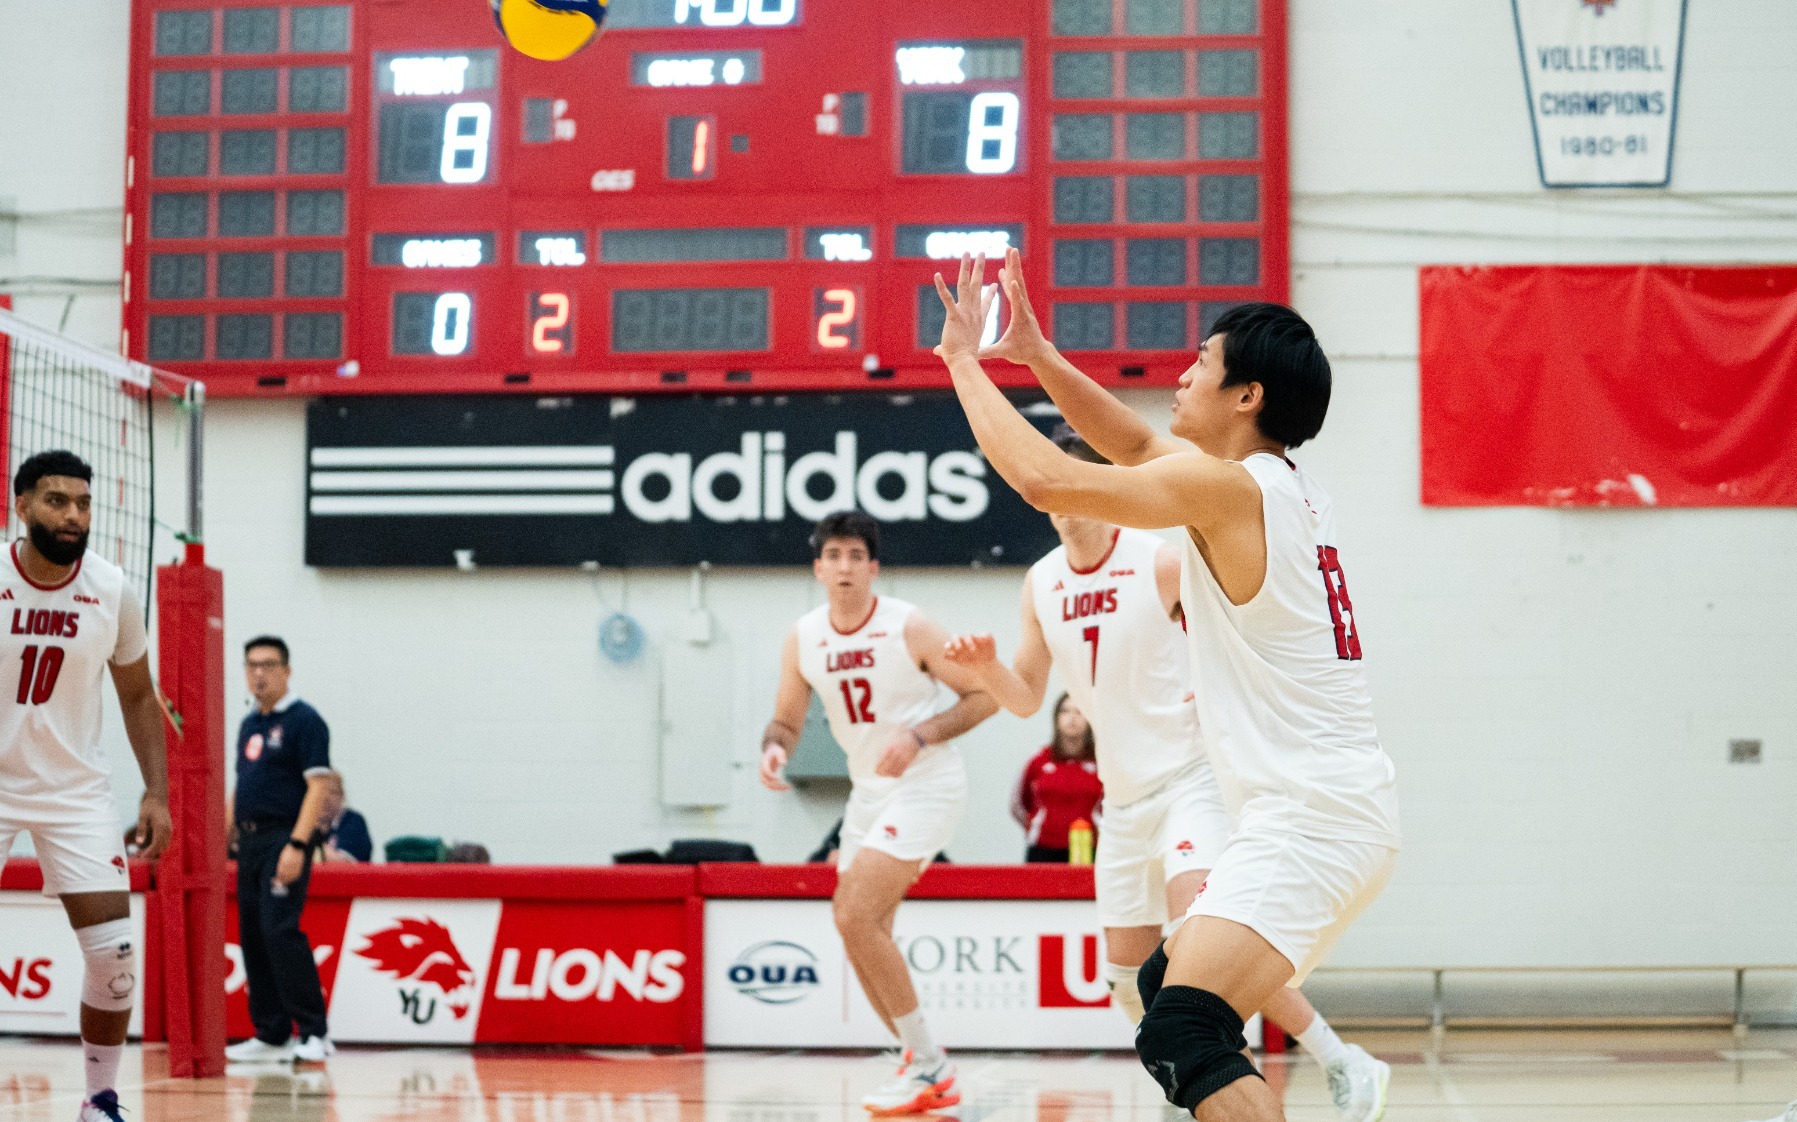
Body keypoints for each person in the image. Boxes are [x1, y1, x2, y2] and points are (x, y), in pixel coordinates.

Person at [933, 251, 1400, 1122]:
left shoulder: (1229, 492)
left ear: (1246, 395)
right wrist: (1037, 356)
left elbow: (1046, 480)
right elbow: (1139, 446)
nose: (1180, 377)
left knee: (1183, 1029)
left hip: (1310, 821)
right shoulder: (1273, 487)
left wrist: (961, 361)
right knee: (1159, 991)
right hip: (1326, 811)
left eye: (1200, 364)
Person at [758, 511, 997, 1115]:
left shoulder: (909, 626)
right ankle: (919, 1065)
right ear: (818, 569)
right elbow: (786, 718)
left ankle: (932, 1066)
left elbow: (985, 696)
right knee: (860, 930)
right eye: (833, 556)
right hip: (867, 794)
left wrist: (919, 735)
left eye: (855, 555)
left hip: (927, 783)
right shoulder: (803, 637)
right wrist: (775, 748)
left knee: (854, 913)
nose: (844, 567)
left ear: (873, 567)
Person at [0, 450, 172, 1122]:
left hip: (75, 792)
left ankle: (100, 1100)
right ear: (22, 506)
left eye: (83, 503)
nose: (73, 515)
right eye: (56, 501)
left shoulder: (111, 589)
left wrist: (155, 792)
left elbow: (138, 696)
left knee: (115, 955)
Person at [225, 636, 342, 1064]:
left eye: (268, 665)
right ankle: (272, 1032)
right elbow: (241, 786)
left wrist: (297, 844)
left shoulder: (305, 721)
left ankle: (314, 1031)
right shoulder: (249, 724)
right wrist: (223, 837)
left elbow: (319, 786)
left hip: (284, 837)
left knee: (279, 930)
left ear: (286, 671)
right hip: (249, 842)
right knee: (253, 935)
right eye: (251, 665)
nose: (259, 673)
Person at [1011, 694, 1102, 863]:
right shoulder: (1038, 761)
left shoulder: (1102, 763)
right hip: (1043, 851)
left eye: (1079, 712)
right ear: (1056, 717)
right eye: (1065, 711)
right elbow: (1018, 805)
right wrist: (1038, 827)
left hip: (1089, 849)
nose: (1072, 718)